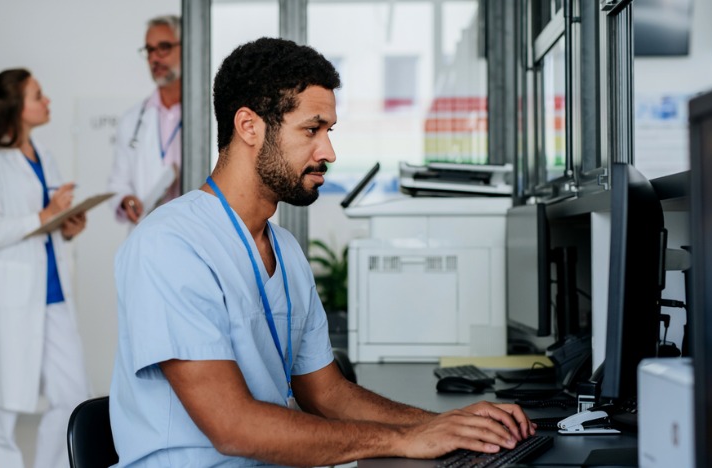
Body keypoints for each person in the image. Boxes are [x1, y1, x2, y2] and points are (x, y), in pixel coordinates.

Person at [109, 38, 536, 467]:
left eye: (328, 132)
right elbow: (232, 426)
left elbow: (326, 394)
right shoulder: (170, 245)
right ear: (249, 126)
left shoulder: (286, 252)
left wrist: (443, 425)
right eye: (311, 130)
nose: (328, 152)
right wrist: (404, 440)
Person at [0, 68, 92, 468]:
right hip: (12, 296)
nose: (47, 101)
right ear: (17, 107)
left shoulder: (45, 156)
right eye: (38, 95)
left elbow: (47, 222)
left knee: (71, 396)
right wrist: (43, 215)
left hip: (53, 294)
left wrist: (67, 225)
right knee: (2, 403)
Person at [106, 14, 183, 225]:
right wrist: (125, 200)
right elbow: (117, 183)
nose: (154, 58)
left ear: (188, 48)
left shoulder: (208, 114)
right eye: (149, 50)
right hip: (150, 232)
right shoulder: (132, 120)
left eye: (164, 47)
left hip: (197, 230)